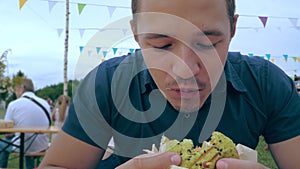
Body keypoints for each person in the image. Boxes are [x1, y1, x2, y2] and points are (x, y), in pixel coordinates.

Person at [39, 0, 300, 168]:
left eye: (207, 44)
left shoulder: (266, 84)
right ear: (136, 33)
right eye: (162, 45)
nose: (184, 70)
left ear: (232, 28)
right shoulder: (106, 83)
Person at [0, 78, 51, 169]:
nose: (16, 93)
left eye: (16, 90)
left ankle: (2, 167)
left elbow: (7, 132)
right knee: (28, 140)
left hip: (24, 145)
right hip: (42, 144)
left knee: (2, 144)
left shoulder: (13, 104)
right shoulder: (45, 103)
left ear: (22, 88)